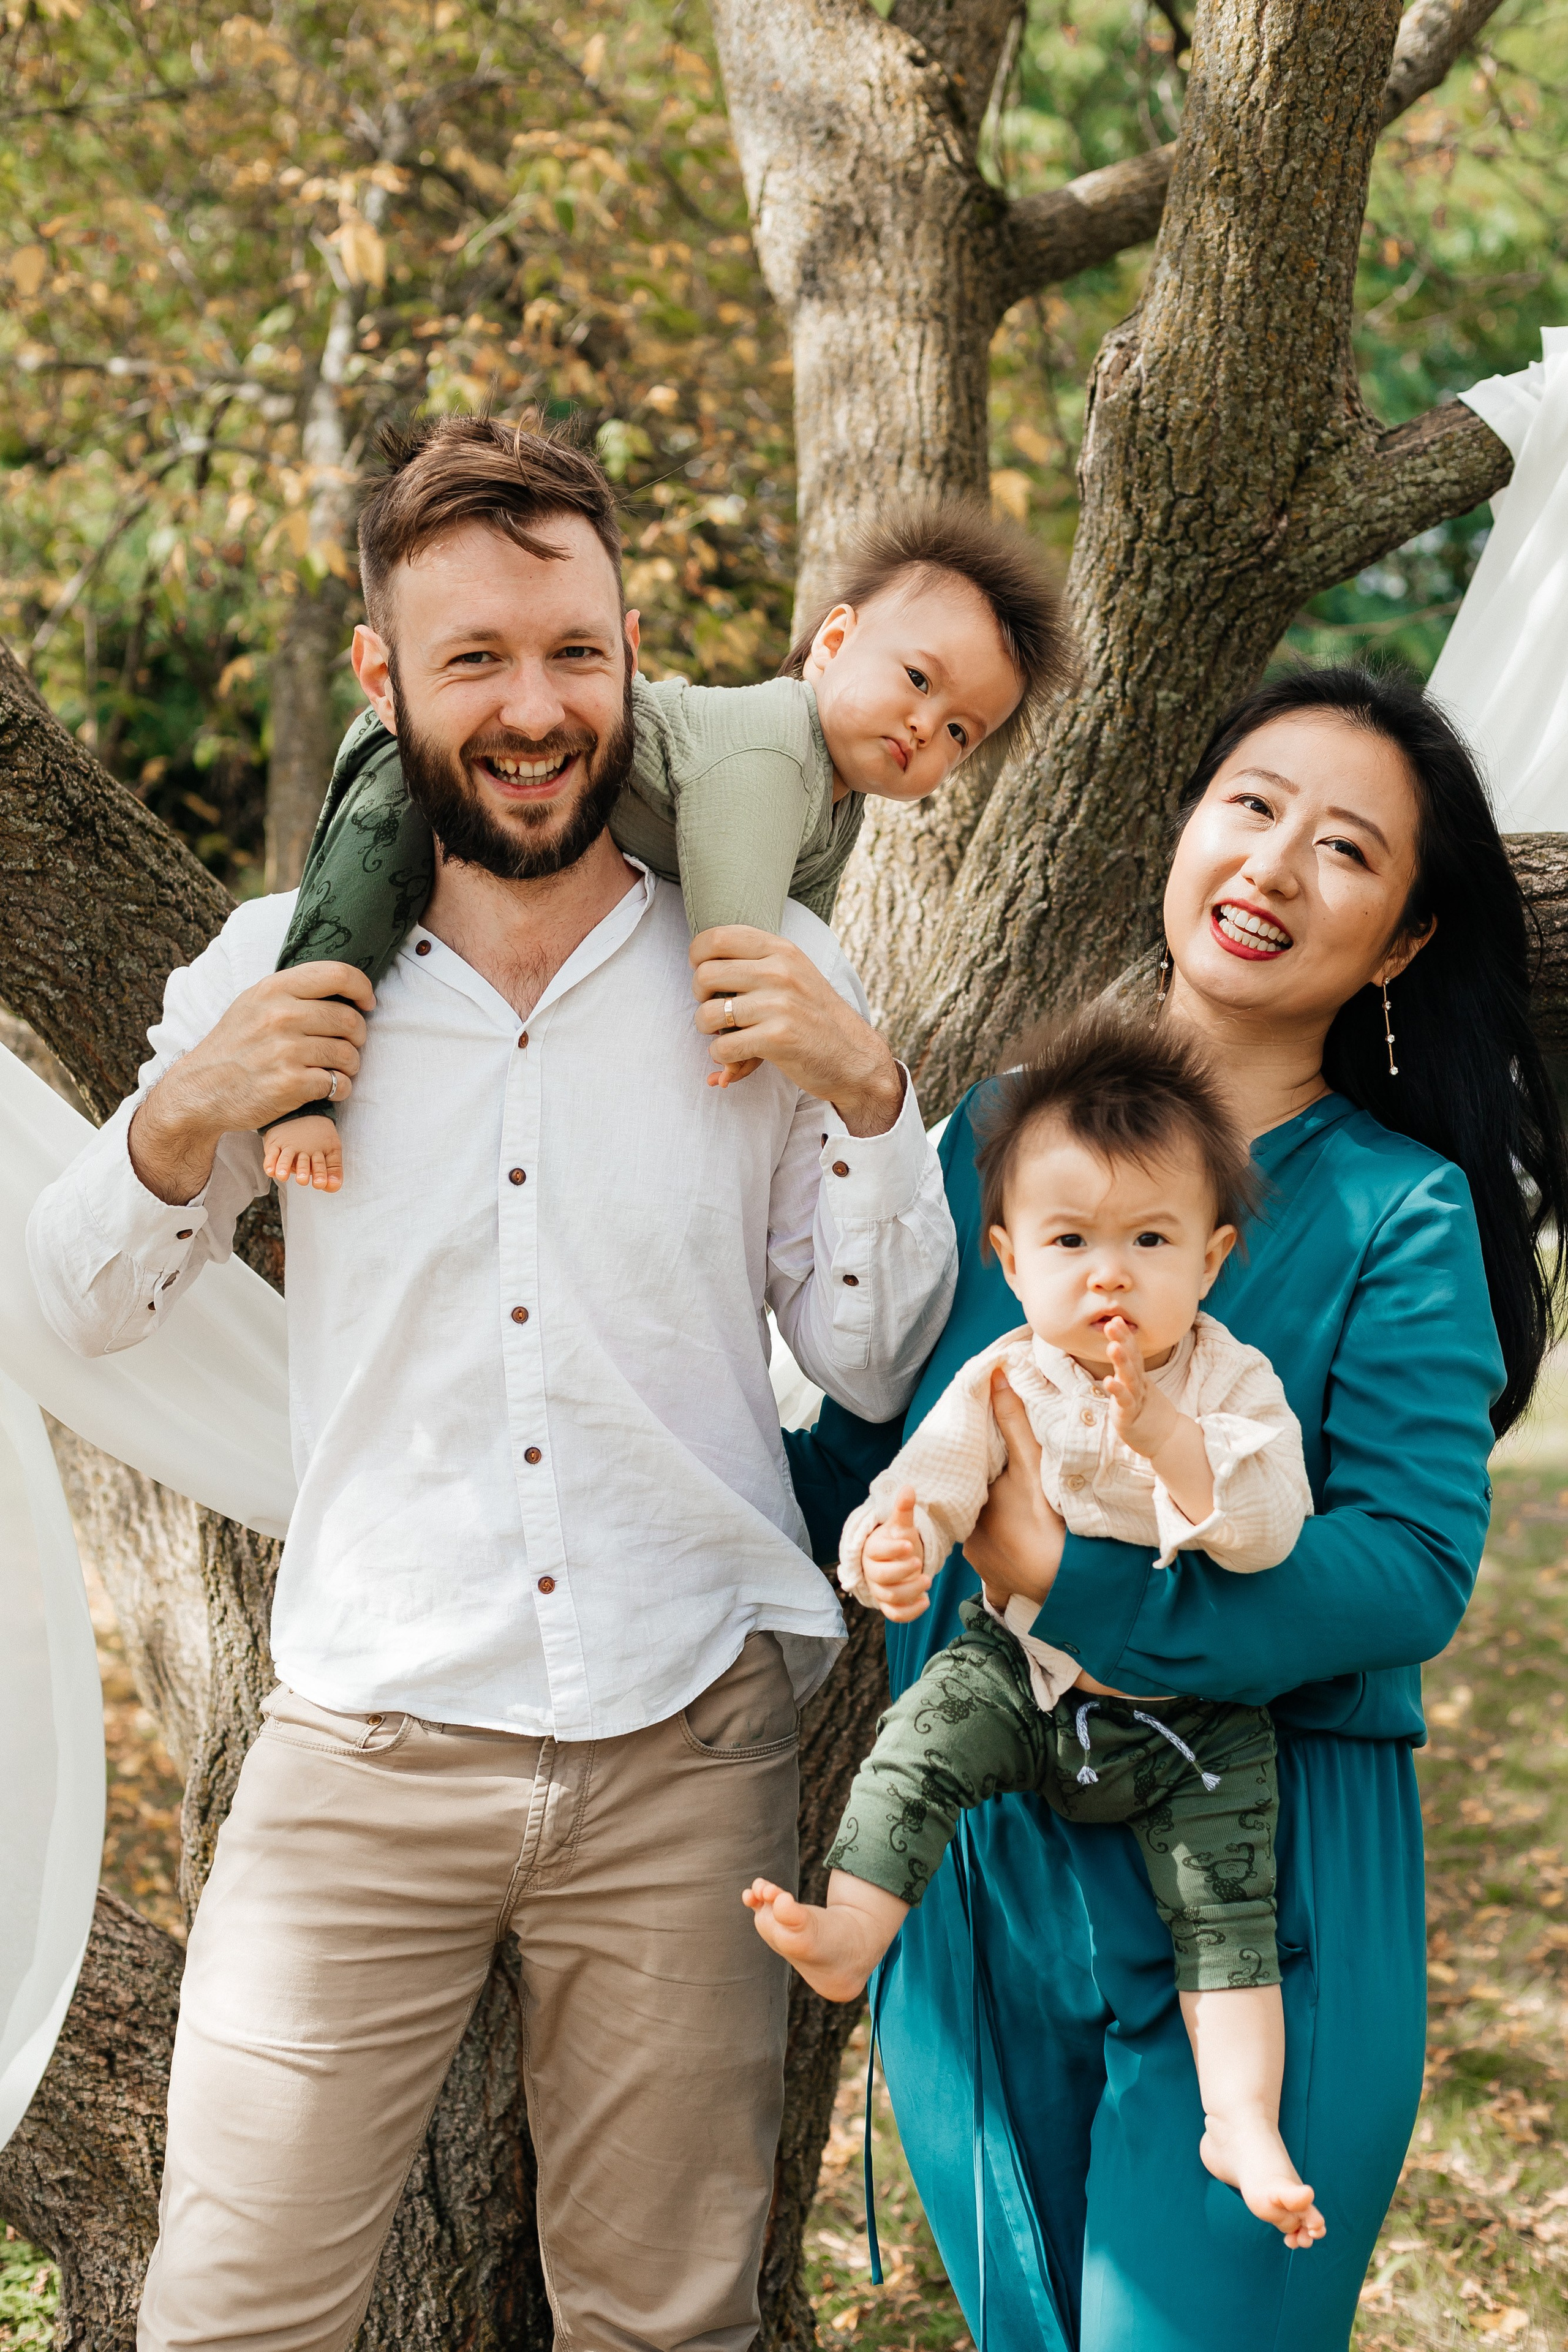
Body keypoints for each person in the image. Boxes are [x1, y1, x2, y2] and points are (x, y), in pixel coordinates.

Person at [26, 421, 960, 2352]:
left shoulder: (764, 957)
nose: (534, 711)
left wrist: (874, 1098)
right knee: (231, 2315)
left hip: (688, 1748)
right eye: (474, 661)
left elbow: (869, 1351)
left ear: (637, 659)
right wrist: (181, 1116)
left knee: (667, 2321)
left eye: (575, 654)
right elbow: (71, 1315)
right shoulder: (267, 972)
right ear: (384, 680)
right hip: (364, 1748)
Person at [783, 667, 1568, 2350]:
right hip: (987, 1866)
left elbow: (1410, 1570)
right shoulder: (998, 1135)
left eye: (1346, 850)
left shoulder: (1399, 1211)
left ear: (1407, 939)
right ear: (1186, 825)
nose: (1276, 868)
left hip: (1266, 1871)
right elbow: (858, 1456)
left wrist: (1066, 1579)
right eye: (1252, 805)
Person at [747, 1004, 1322, 2247]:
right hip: (1023, 1670)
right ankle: (854, 1927)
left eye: (1147, 1239)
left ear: (1210, 1260)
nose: (1106, 1272)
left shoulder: (1229, 1382)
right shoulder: (1001, 1374)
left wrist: (1166, 1439)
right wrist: (890, 1550)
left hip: (1191, 1721)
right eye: (1070, 1240)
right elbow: (929, 1483)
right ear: (1009, 1260)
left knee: (1227, 1910)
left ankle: (1240, 2115)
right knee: (916, 1744)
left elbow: (1268, 1522)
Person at [260, 424, 1070, 1191]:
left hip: (546, 795)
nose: (926, 725)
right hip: (423, 767)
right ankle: (298, 1097)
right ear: (832, 643)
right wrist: (735, 1005)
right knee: (358, 904)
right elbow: (736, 906)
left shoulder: (838, 809)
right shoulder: (776, 741)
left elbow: (801, 937)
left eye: (961, 731)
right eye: (919, 680)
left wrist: (798, 1010)